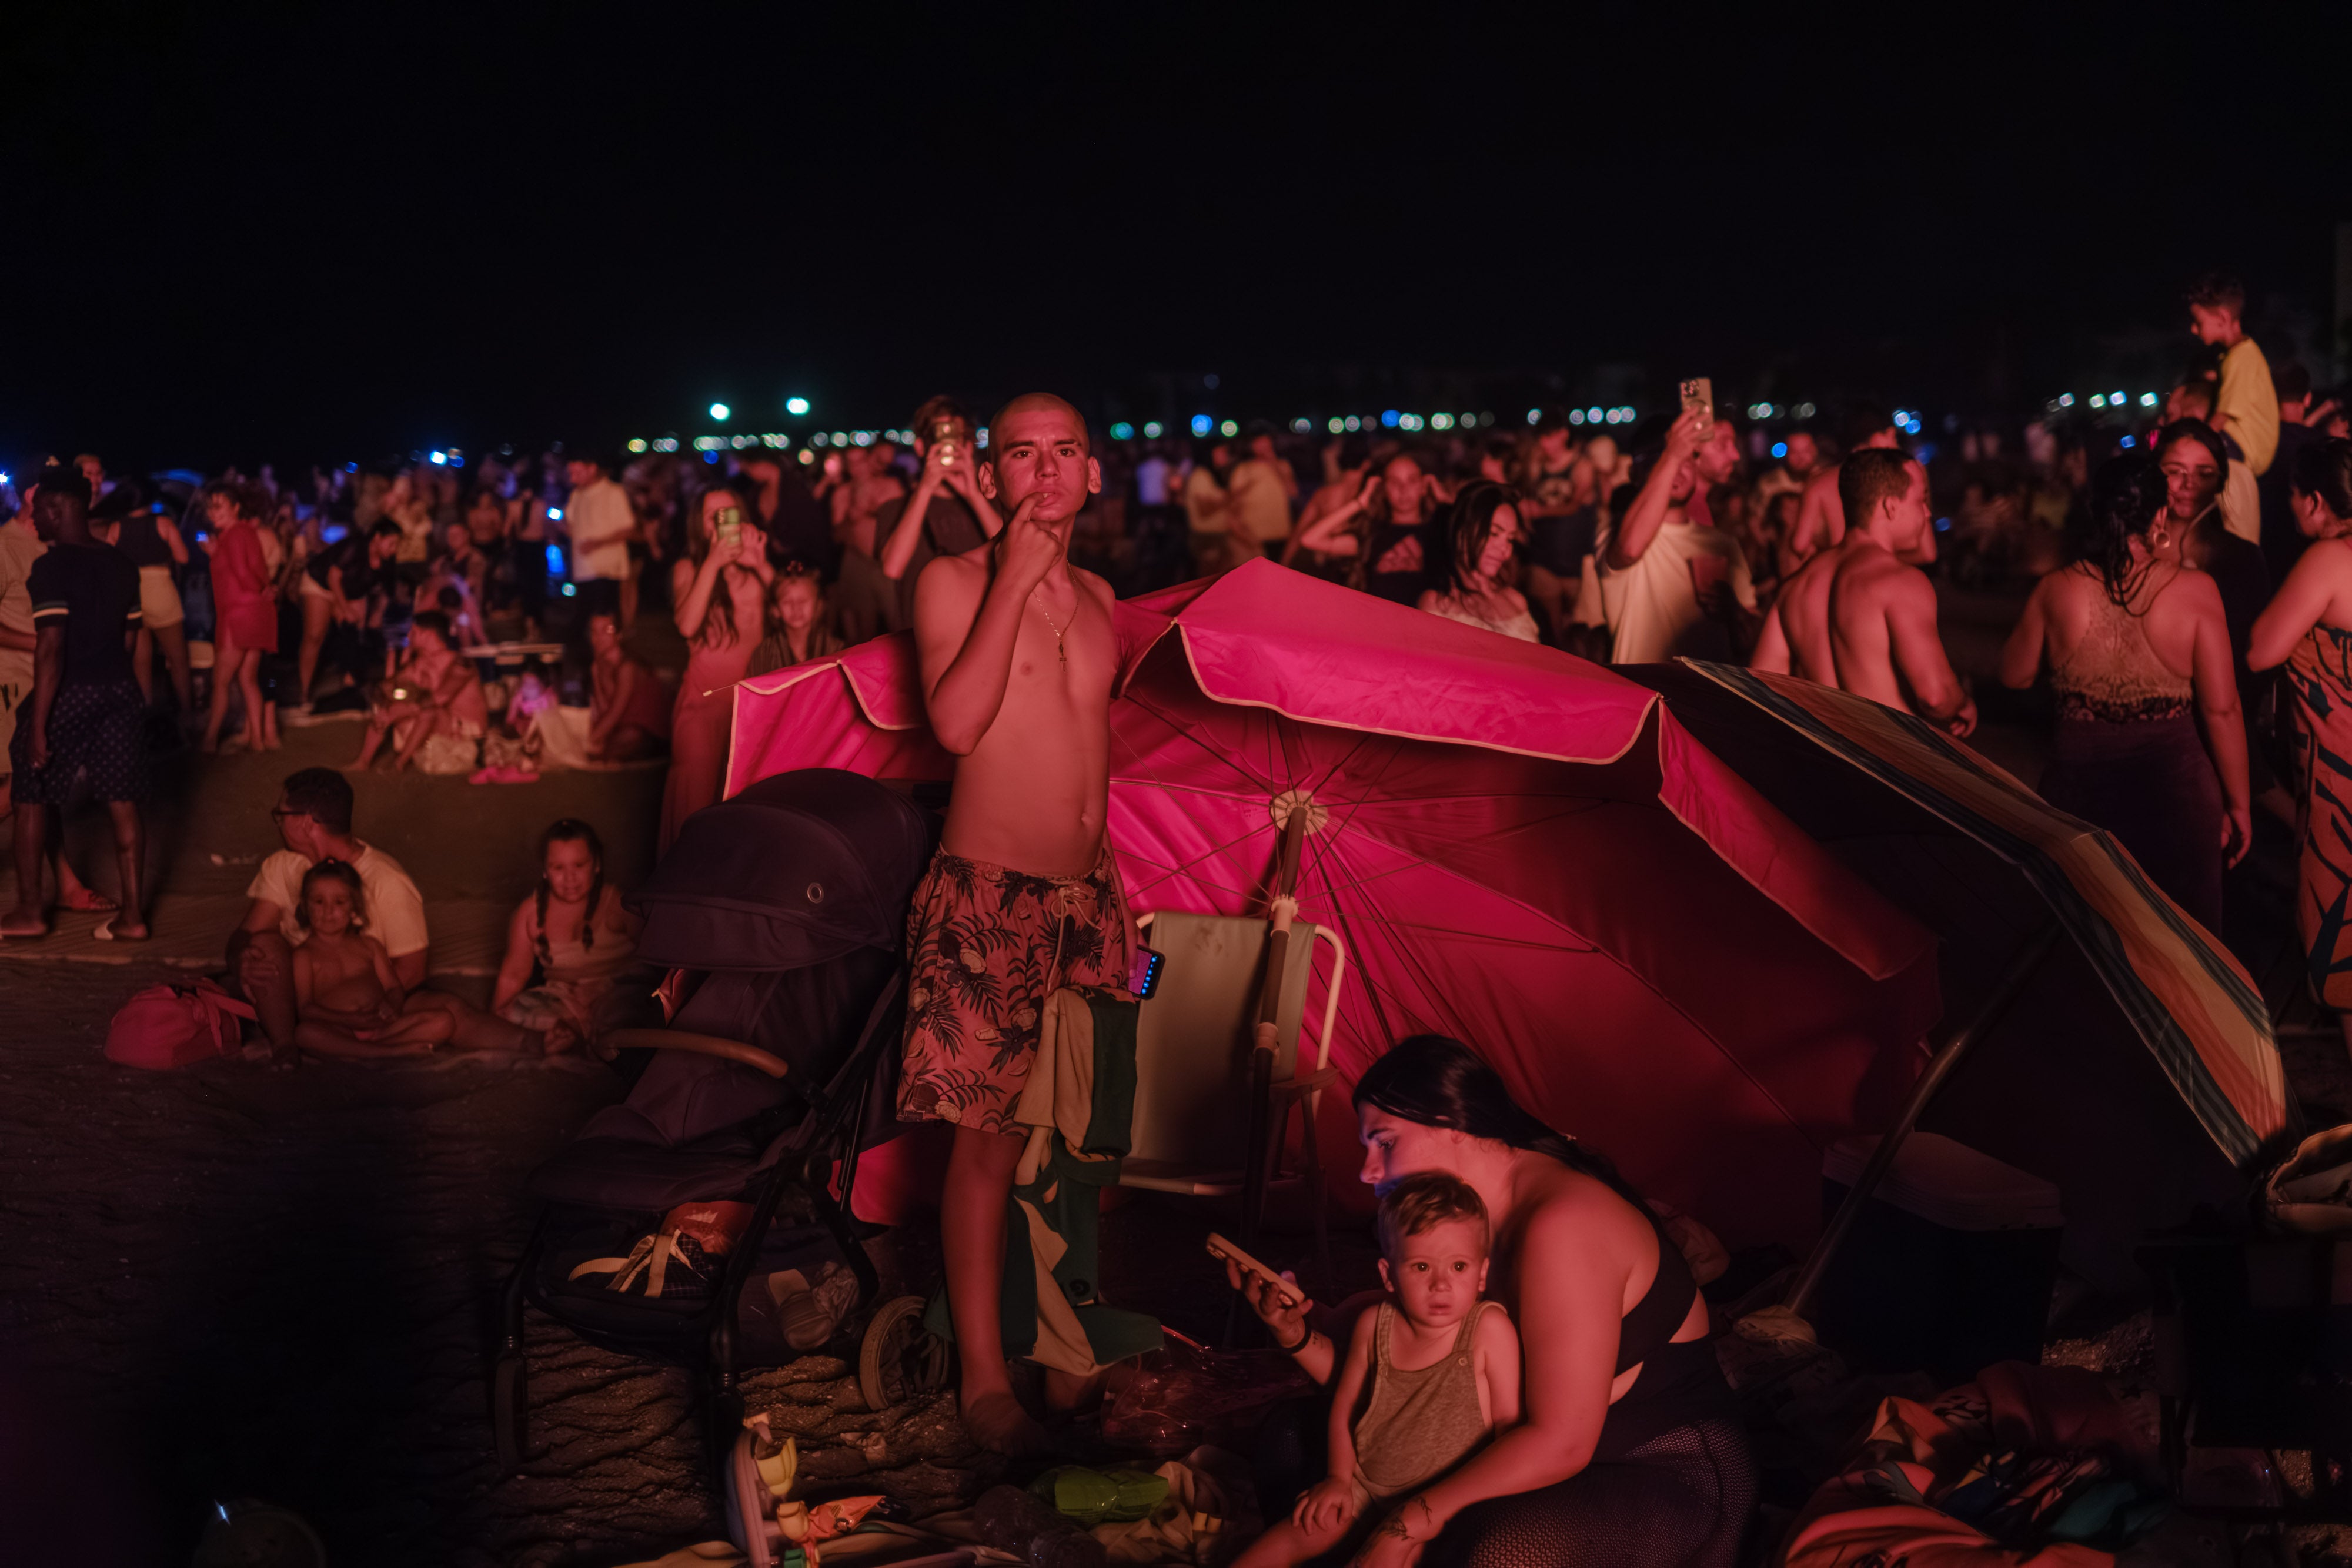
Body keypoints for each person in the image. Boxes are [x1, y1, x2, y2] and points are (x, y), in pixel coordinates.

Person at [1231, 1035, 1753, 1568]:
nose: (1367, 1171)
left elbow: (1561, 1442)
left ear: (1452, 1125)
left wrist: (1413, 1517)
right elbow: (1394, 1367)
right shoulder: (1463, 1223)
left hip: (1653, 1465)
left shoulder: (1562, 1224)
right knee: (1292, 1440)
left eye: (1384, 1142)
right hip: (1507, 1449)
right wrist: (1298, 1325)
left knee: (1497, 1554)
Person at [904, 392, 1134, 1455]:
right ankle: (985, 1381)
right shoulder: (952, 581)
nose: (1044, 471)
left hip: (1091, 898)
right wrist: (1012, 578)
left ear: (1094, 473)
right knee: (986, 1149)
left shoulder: (1104, 598)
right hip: (989, 897)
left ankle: (1060, 1340)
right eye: (1020, 454)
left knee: (1080, 1139)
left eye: (1065, 452)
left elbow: (1083, 744)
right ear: (990, 477)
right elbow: (957, 723)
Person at [2000, 454, 2248, 929]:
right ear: (2159, 516)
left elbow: (2013, 674)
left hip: (2079, 795)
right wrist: (2238, 803)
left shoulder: (2058, 588)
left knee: (2089, 940)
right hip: (2175, 792)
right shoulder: (2195, 591)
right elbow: (2222, 708)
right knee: (2183, 943)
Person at [1237, 1174, 1522, 1568]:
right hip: (1367, 1485)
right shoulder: (1375, 1324)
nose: (1441, 1284)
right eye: (1422, 1266)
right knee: (1294, 1534)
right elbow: (1345, 1405)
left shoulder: (1488, 1330)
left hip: (1446, 1505)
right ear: (1388, 1275)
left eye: (1458, 1266)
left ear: (1482, 1273)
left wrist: (1479, 1516)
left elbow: (1511, 1430)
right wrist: (1338, 1478)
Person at [2, 468, 150, 941]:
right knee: (123, 802)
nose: (34, 518)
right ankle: (133, 917)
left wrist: (40, 724)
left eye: (39, 509)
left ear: (56, 509)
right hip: (120, 689)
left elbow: (50, 649)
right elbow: (130, 641)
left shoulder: (51, 566)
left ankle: (29, 911)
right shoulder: (122, 564)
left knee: (29, 794)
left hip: (70, 689)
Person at [2247, 439, 2352, 1056]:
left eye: (2291, 494)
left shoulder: (2329, 558)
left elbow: (2263, 647)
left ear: (2316, 501)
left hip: (2342, 780)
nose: (2288, 506)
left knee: (2344, 947)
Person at [1751, 451, 1976, 734]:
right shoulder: (1900, 581)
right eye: (1921, 500)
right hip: (1890, 761)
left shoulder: (1796, 585)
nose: (1927, 513)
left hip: (1827, 755)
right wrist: (1962, 703)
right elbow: (1936, 697)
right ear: (1891, 506)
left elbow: (1761, 682)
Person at [660, 486, 774, 850]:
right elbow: (686, 625)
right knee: (695, 806)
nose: (723, 521)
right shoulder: (690, 567)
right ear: (701, 525)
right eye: (713, 515)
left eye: (729, 512)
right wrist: (713, 562)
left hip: (751, 705)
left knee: (744, 809)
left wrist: (762, 566)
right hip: (703, 702)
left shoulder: (756, 559)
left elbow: (795, 616)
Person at [1595, 410, 1756, 663]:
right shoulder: (1616, 536)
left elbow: (1750, 640)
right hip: (1647, 696)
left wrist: (1734, 611)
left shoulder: (1723, 544)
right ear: (1637, 474)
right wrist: (1673, 454)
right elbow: (1628, 550)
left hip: (1706, 697)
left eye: (1687, 462)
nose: (1677, 471)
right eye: (1662, 464)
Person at [491, 819, 641, 1055]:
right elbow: (513, 975)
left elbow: (658, 957)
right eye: (558, 868)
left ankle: (590, 1036)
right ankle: (573, 1033)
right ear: (545, 870)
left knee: (632, 1016)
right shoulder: (530, 913)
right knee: (516, 1012)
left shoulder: (616, 904)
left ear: (596, 865)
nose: (570, 878)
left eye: (579, 865)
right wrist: (498, 1025)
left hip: (617, 989)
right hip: (564, 996)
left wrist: (603, 990)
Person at [289, 860, 455, 1061]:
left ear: (354, 907)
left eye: (339, 902)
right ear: (306, 906)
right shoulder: (304, 955)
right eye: (319, 902)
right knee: (305, 1034)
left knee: (443, 1021)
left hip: (381, 1027)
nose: (328, 910)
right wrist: (350, 1019)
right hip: (340, 1029)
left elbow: (394, 988)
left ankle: (364, 1052)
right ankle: (388, 1052)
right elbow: (306, 1009)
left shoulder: (370, 945)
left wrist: (391, 1005)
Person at [874, 398, 1004, 633]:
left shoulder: (994, 502)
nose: (950, 447)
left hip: (984, 632)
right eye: (941, 439)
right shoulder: (895, 508)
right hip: (920, 638)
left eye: (959, 439)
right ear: (921, 447)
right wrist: (926, 488)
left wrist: (974, 495)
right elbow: (893, 568)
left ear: (970, 446)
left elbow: (1014, 553)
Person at [2186, 270, 2278, 546]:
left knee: (2237, 546)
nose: (2194, 329)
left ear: (2223, 319)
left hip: (2238, 455)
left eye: (2198, 321)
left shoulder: (2240, 357)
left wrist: (2191, 444)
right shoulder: (2238, 355)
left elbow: (2221, 418)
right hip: (2238, 455)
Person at [199, 481, 282, 753]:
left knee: (221, 681)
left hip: (239, 614)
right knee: (248, 677)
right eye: (210, 508)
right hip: (256, 611)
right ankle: (257, 741)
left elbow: (244, 573)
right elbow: (252, 569)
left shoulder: (235, 534)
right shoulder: (243, 533)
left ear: (236, 507)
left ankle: (209, 741)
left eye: (219, 506)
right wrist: (265, 588)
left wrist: (259, 588)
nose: (213, 513)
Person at [1296, 452, 1441, 604]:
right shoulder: (1371, 536)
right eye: (1394, 482)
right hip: (1379, 622)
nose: (1403, 489)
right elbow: (1310, 539)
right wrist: (1360, 502)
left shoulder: (1440, 532)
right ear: (1383, 488)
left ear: (1424, 486)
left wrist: (1444, 501)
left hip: (1424, 623)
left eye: (1412, 481)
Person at [350, 613, 487, 773]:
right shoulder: (421, 663)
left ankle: (399, 765)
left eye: (413, 632)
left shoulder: (461, 664)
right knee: (387, 710)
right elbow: (386, 687)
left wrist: (405, 707)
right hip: (440, 727)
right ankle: (363, 762)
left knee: (427, 711)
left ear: (428, 634)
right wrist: (391, 701)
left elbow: (440, 699)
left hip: (465, 733)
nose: (409, 637)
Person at [295, 519, 399, 713]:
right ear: (377, 538)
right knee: (314, 636)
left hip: (351, 591)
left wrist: (376, 614)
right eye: (391, 543)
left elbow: (387, 589)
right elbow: (333, 577)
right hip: (321, 584)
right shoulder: (355, 546)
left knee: (355, 637)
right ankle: (304, 694)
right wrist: (343, 608)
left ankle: (350, 690)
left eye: (396, 545)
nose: (394, 549)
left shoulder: (387, 561)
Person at [99, 496, 192, 712]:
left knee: (141, 661)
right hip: (161, 592)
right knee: (177, 659)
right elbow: (183, 557)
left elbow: (106, 563)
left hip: (132, 595)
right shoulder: (163, 523)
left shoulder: (116, 527)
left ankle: (145, 712)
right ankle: (187, 712)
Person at [1418, 484, 1539, 641]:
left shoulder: (1516, 600)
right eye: (1494, 533)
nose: (1505, 549)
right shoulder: (1437, 603)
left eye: (1510, 539)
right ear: (1462, 531)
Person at [1788, 408, 1902, 563]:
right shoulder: (1895, 478)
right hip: (1883, 569)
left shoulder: (1820, 482)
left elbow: (1799, 545)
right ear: (1877, 437)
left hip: (1841, 570)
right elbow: (1926, 552)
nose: (1897, 445)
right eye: (1894, 437)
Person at [562, 452, 638, 626]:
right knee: (587, 620)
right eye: (571, 473)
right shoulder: (577, 495)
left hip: (606, 570)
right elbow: (571, 525)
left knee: (604, 620)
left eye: (578, 473)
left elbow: (628, 529)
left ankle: (610, 651)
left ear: (592, 469)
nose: (573, 479)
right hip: (583, 569)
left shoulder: (614, 492)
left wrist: (597, 543)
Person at [584, 610, 670, 761]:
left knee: (629, 738)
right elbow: (604, 710)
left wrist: (590, 740)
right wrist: (596, 674)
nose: (599, 637)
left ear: (619, 635)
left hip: (650, 734)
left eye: (607, 630)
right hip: (622, 728)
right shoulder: (601, 665)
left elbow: (615, 713)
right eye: (594, 631)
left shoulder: (627, 667)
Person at [749, 562, 844, 677]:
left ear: (819, 605)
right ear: (775, 610)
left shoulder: (837, 650)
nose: (796, 608)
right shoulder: (764, 653)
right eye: (787, 602)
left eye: (803, 601)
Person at [1226, 428, 1297, 560]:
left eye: (1267, 443)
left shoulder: (1283, 465)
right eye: (1259, 443)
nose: (1264, 447)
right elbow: (1233, 501)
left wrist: (1273, 462)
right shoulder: (1243, 469)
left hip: (1280, 531)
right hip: (1254, 534)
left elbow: (1293, 492)